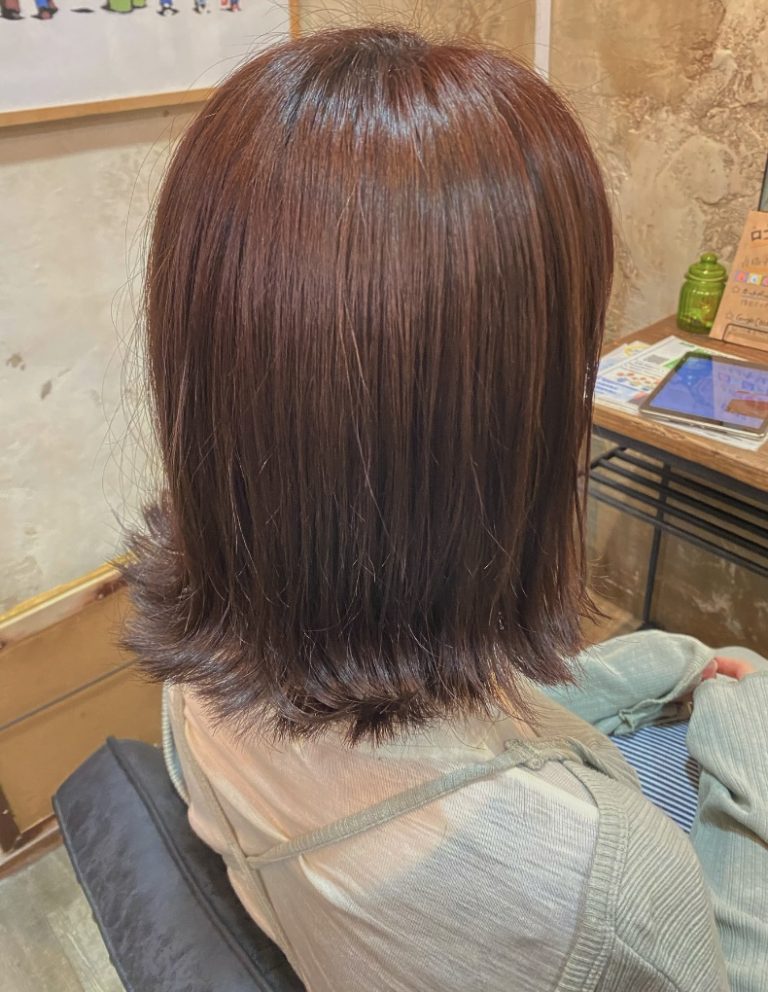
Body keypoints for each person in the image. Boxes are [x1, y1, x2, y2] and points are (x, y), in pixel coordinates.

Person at [124, 26, 768, 992]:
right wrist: (742, 742)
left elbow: (463, 722)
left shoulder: (200, 673)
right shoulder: (601, 883)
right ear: (510, 423)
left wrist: (679, 665)